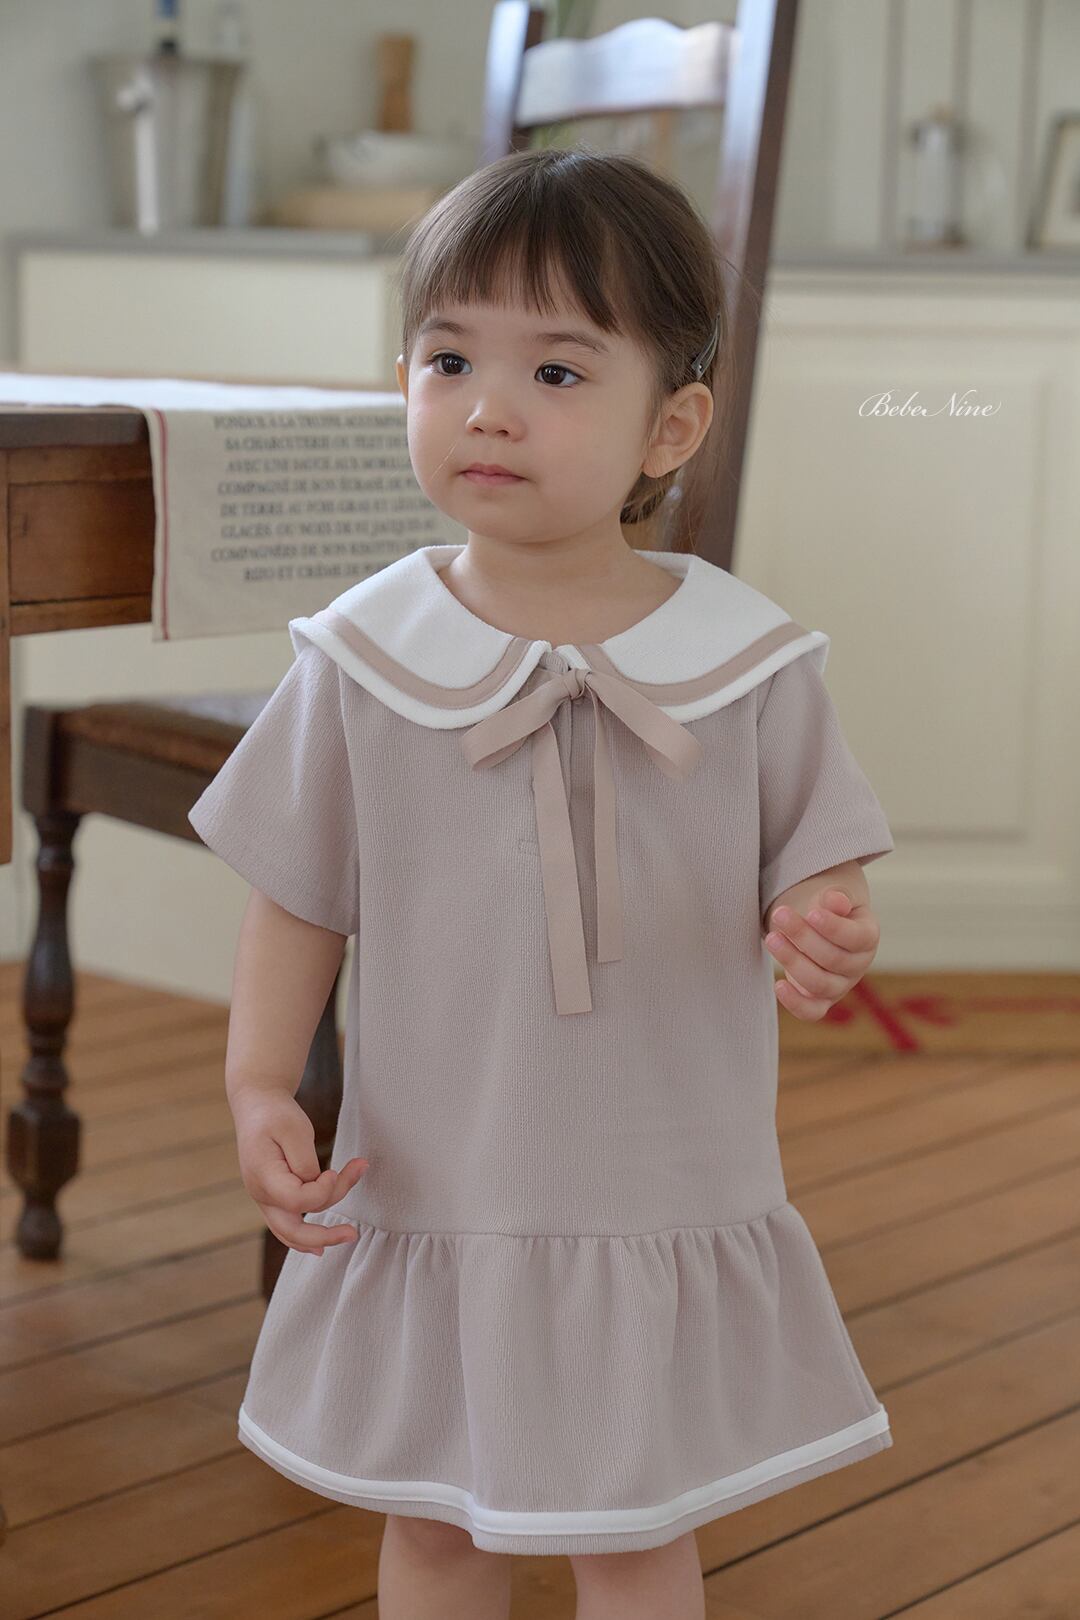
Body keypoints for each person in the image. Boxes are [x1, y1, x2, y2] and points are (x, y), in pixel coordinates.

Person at [188, 147, 896, 1620]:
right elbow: (298, 898)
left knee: (634, 1530)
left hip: (658, 1174)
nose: (488, 409)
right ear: (405, 381)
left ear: (670, 426)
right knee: (439, 1522)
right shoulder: (364, 657)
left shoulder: (748, 660)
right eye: (450, 361)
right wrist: (260, 1086)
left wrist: (822, 918)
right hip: (440, 1173)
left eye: (558, 373)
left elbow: (817, 848)